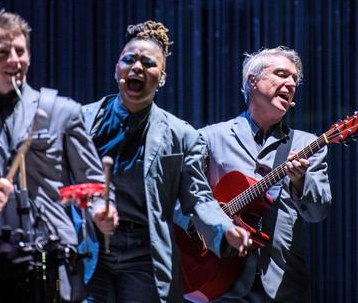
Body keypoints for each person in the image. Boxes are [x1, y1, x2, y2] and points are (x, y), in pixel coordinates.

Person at [0, 8, 118, 302]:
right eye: (2, 52)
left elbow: (93, 185)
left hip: (53, 259)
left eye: (20, 51)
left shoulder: (63, 112)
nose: (15, 60)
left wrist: (102, 209)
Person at [81, 20, 251, 303]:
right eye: (129, 60)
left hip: (144, 252)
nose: (137, 67)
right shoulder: (83, 121)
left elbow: (198, 198)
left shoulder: (181, 135)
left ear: (161, 78)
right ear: (116, 69)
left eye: (148, 63)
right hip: (90, 245)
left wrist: (224, 229)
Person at [199, 46, 331, 302]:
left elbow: (318, 212)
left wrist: (301, 180)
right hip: (218, 277)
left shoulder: (307, 144)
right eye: (281, 74)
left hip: (282, 284)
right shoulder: (210, 138)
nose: (290, 83)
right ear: (253, 80)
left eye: (294, 79)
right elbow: (185, 200)